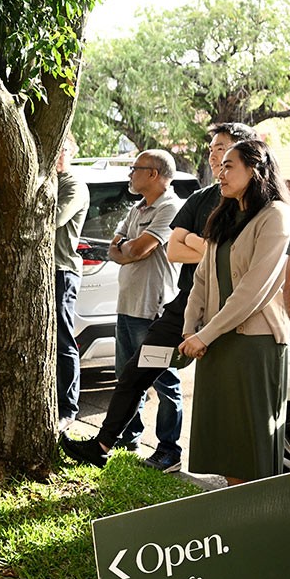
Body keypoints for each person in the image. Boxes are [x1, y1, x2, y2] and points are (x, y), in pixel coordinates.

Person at [62, 123, 257, 467]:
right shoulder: (200, 198)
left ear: (245, 155)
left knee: (175, 383)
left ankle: (172, 449)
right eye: (212, 148)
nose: (214, 156)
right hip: (182, 306)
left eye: (223, 149)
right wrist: (212, 247)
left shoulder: (256, 204)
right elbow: (176, 251)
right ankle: (103, 446)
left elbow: (241, 256)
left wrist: (203, 246)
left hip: (229, 310)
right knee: (136, 373)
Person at [178, 139, 290, 483]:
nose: (220, 171)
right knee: (227, 449)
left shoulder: (276, 216)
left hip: (253, 347)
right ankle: (234, 524)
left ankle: (258, 528)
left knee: (251, 450)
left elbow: (253, 291)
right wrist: (190, 329)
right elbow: (202, 277)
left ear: (256, 169)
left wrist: (205, 334)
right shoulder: (225, 213)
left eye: (229, 165)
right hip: (214, 344)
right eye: (220, 164)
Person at [107, 149, 183, 467]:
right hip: (127, 306)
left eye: (135, 168)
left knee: (164, 381)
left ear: (153, 173)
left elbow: (138, 249)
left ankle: (169, 448)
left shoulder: (170, 207)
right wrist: (126, 247)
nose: (130, 174)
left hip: (152, 310)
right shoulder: (138, 208)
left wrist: (127, 247)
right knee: (128, 379)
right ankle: (129, 436)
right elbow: (115, 250)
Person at [55, 133, 89, 432]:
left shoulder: (73, 184)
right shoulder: (48, 182)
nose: (58, 154)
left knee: (64, 339)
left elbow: (52, 219)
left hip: (62, 270)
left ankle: (68, 407)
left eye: (63, 149)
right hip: (44, 271)